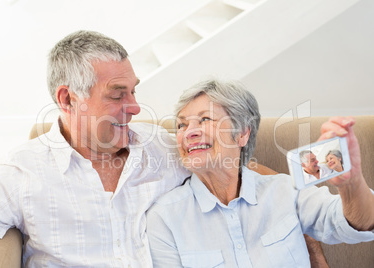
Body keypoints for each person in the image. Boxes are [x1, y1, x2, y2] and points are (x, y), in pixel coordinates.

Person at [0, 30, 326, 267]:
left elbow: (248, 176)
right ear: (68, 99)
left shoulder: (163, 148)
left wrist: (310, 244)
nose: (136, 106)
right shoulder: (21, 172)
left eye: (134, 90)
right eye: (117, 94)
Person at [146, 79, 374, 267]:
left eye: (205, 119)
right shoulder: (164, 218)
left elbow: (357, 225)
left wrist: (351, 184)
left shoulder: (285, 190)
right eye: (181, 125)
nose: (189, 133)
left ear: (242, 134)